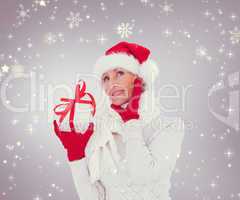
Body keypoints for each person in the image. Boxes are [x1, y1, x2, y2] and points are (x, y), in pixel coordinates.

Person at [53, 41, 185, 200]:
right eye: (105, 78)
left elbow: (142, 176)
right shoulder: (103, 134)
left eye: (120, 73)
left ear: (138, 78)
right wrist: (76, 156)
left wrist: (131, 121)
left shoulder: (168, 127)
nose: (111, 84)